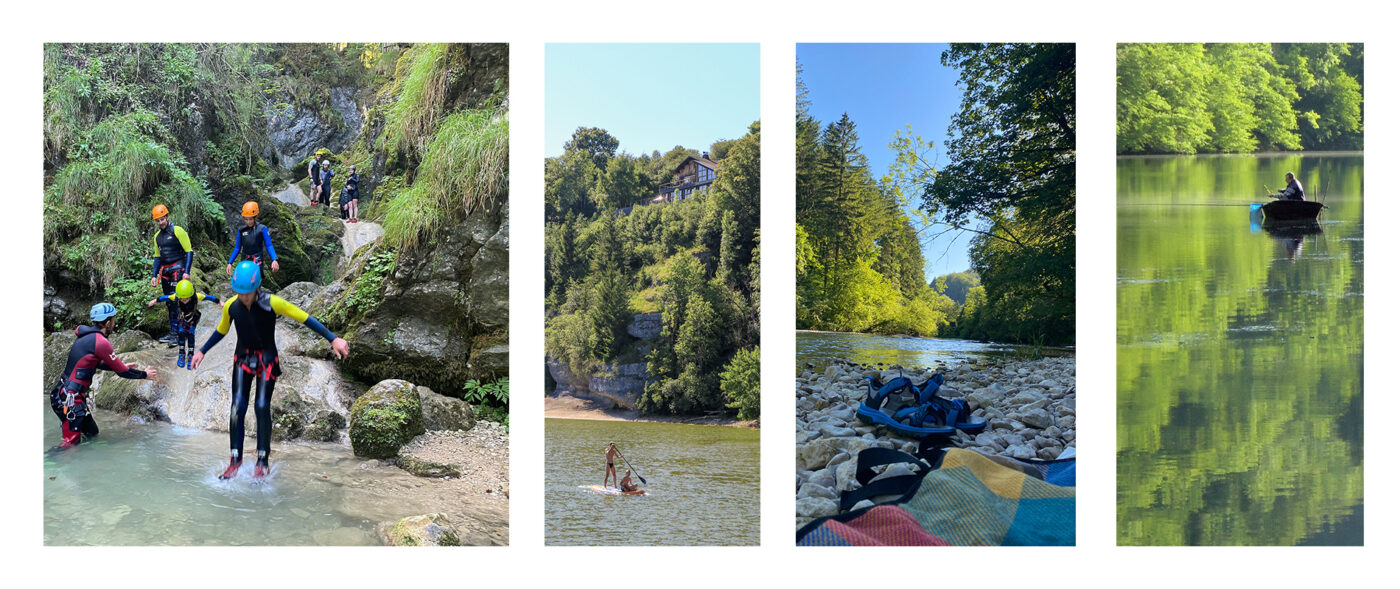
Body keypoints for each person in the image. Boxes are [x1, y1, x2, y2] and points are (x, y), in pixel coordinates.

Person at [191, 261, 350, 479]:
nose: (243, 297)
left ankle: (262, 461)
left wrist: (333, 339)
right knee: (237, 406)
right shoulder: (231, 306)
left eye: (247, 293)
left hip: (266, 359)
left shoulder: (272, 302)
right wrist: (202, 351)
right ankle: (234, 461)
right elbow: (221, 330)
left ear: (257, 288)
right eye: (239, 293)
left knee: (262, 405)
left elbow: (304, 318)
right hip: (243, 359)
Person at [50, 303, 160, 447]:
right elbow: (123, 373)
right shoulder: (100, 341)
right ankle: (50, 463)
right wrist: (144, 374)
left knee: (92, 434)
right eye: (113, 320)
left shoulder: (87, 336)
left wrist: (119, 366)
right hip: (70, 399)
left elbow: (95, 363)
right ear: (108, 323)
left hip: (66, 394)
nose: (114, 323)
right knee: (69, 446)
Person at [146, 280, 220, 370]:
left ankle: (190, 355)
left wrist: (219, 301)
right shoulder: (176, 296)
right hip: (182, 318)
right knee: (181, 333)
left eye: (186, 299)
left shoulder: (197, 296)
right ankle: (181, 353)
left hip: (193, 318)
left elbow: (209, 297)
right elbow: (165, 297)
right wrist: (155, 300)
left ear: (191, 295)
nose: (184, 301)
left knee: (190, 334)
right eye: (181, 299)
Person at [150, 204, 193, 345]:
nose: (160, 222)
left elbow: (189, 251)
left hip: (178, 269)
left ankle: (182, 332)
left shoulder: (177, 231)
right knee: (169, 302)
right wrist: (154, 275)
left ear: (167, 217)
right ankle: (173, 332)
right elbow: (157, 257)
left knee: (177, 302)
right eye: (158, 220)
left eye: (162, 219)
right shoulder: (157, 237)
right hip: (165, 271)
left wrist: (187, 271)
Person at [226, 201, 281, 275]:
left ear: (256, 217)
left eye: (250, 219)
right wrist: (230, 262)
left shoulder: (262, 229)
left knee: (256, 278)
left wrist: (274, 259)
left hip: (258, 259)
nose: (248, 222)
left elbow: (269, 245)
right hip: (245, 258)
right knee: (245, 278)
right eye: (246, 219)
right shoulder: (241, 230)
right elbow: (237, 248)